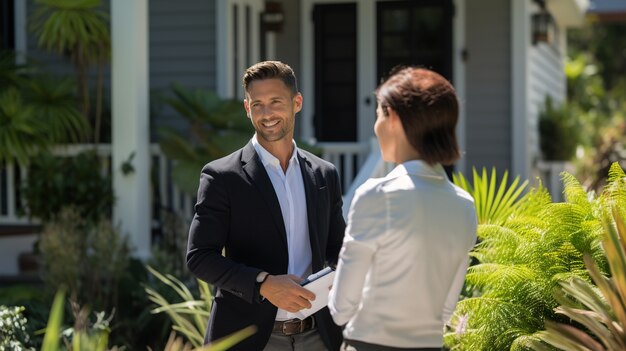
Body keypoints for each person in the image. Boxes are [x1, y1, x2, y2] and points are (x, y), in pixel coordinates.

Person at [187, 60, 345, 351]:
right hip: (252, 338)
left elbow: (338, 250)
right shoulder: (222, 176)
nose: (267, 113)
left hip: (319, 336)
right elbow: (199, 257)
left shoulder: (324, 174)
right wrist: (263, 283)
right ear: (247, 109)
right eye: (257, 104)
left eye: (275, 102)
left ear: (296, 103)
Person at [328, 67, 477, 351]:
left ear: (392, 117)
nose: (376, 127)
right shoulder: (465, 206)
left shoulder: (376, 196)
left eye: (378, 115)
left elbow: (341, 310)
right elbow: (446, 310)